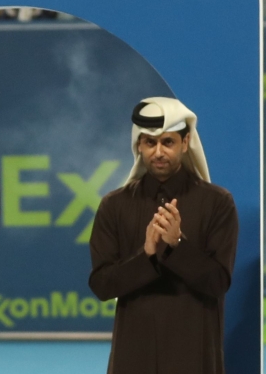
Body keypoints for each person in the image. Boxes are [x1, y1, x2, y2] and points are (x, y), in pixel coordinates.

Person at [89, 97, 238, 374]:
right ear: (138, 146)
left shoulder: (217, 203)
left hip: (194, 355)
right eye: (149, 143)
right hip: (133, 356)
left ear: (185, 142)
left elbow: (218, 281)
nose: (158, 152)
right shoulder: (114, 205)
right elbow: (101, 285)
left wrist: (176, 245)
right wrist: (146, 255)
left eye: (167, 142)